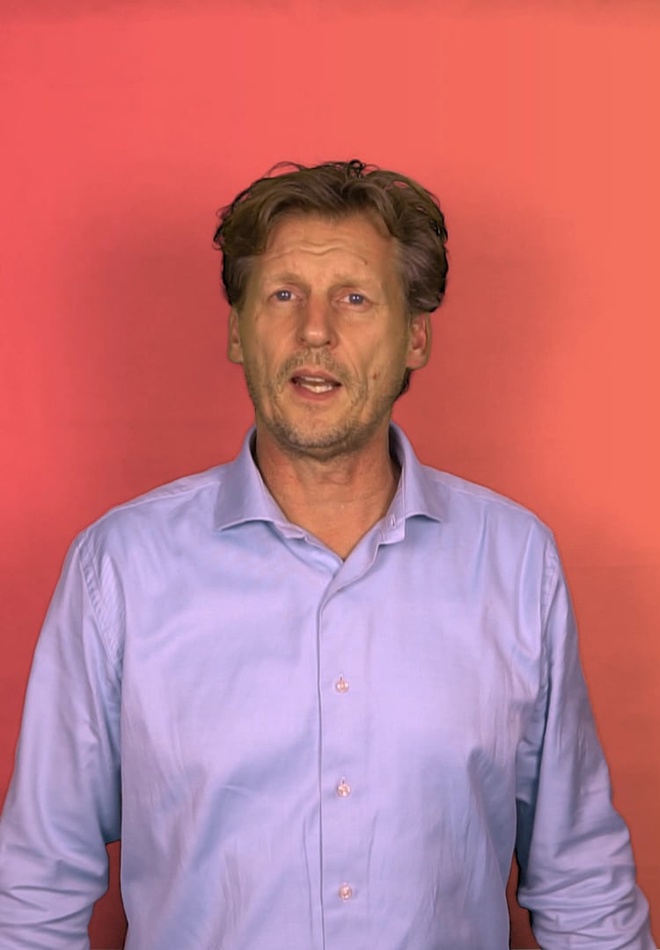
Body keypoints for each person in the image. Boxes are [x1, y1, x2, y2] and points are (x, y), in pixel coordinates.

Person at [0, 160, 654, 950]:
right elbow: (35, 892)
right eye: (283, 295)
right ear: (236, 331)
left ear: (415, 337)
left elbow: (581, 882)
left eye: (354, 298)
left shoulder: (515, 563)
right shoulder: (119, 571)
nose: (315, 330)